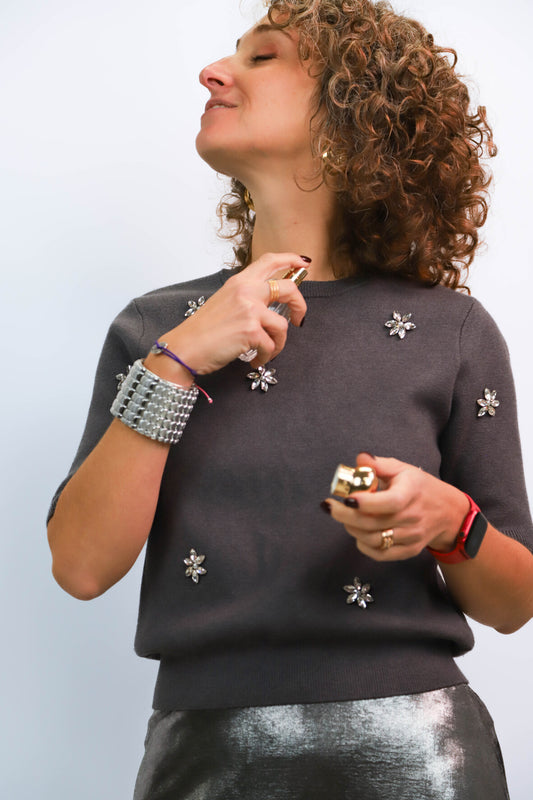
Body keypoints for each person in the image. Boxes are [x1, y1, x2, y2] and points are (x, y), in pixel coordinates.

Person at [47, 0, 533, 797]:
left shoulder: (453, 332)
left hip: (418, 755)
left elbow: (512, 604)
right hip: (204, 759)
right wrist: (178, 359)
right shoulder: (155, 328)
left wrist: (451, 521)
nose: (213, 72)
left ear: (352, 114)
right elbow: (80, 565)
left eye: (262, 56)